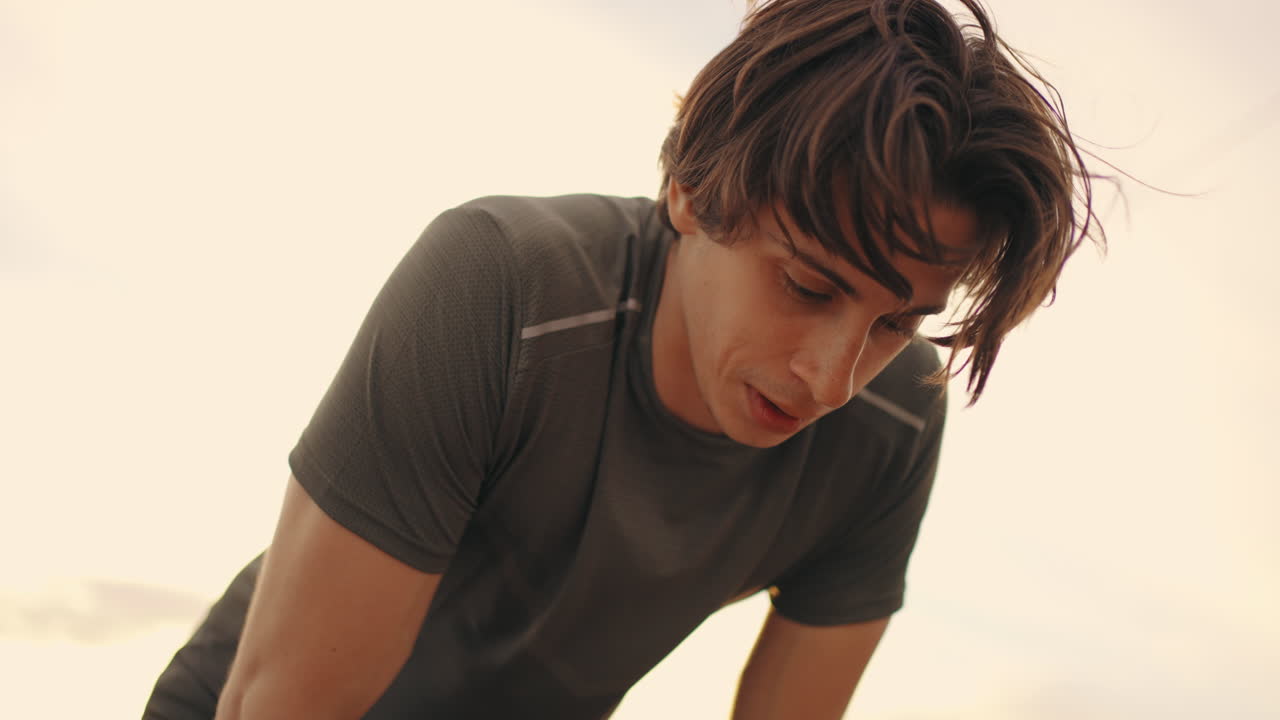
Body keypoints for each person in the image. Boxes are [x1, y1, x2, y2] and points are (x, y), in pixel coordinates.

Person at [144, 0, 1101, 717]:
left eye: (894, 323)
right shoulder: (500, 289)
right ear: (691, 183)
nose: (831, 377)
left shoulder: (892, 426)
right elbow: (283, 705)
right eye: (808, 286)